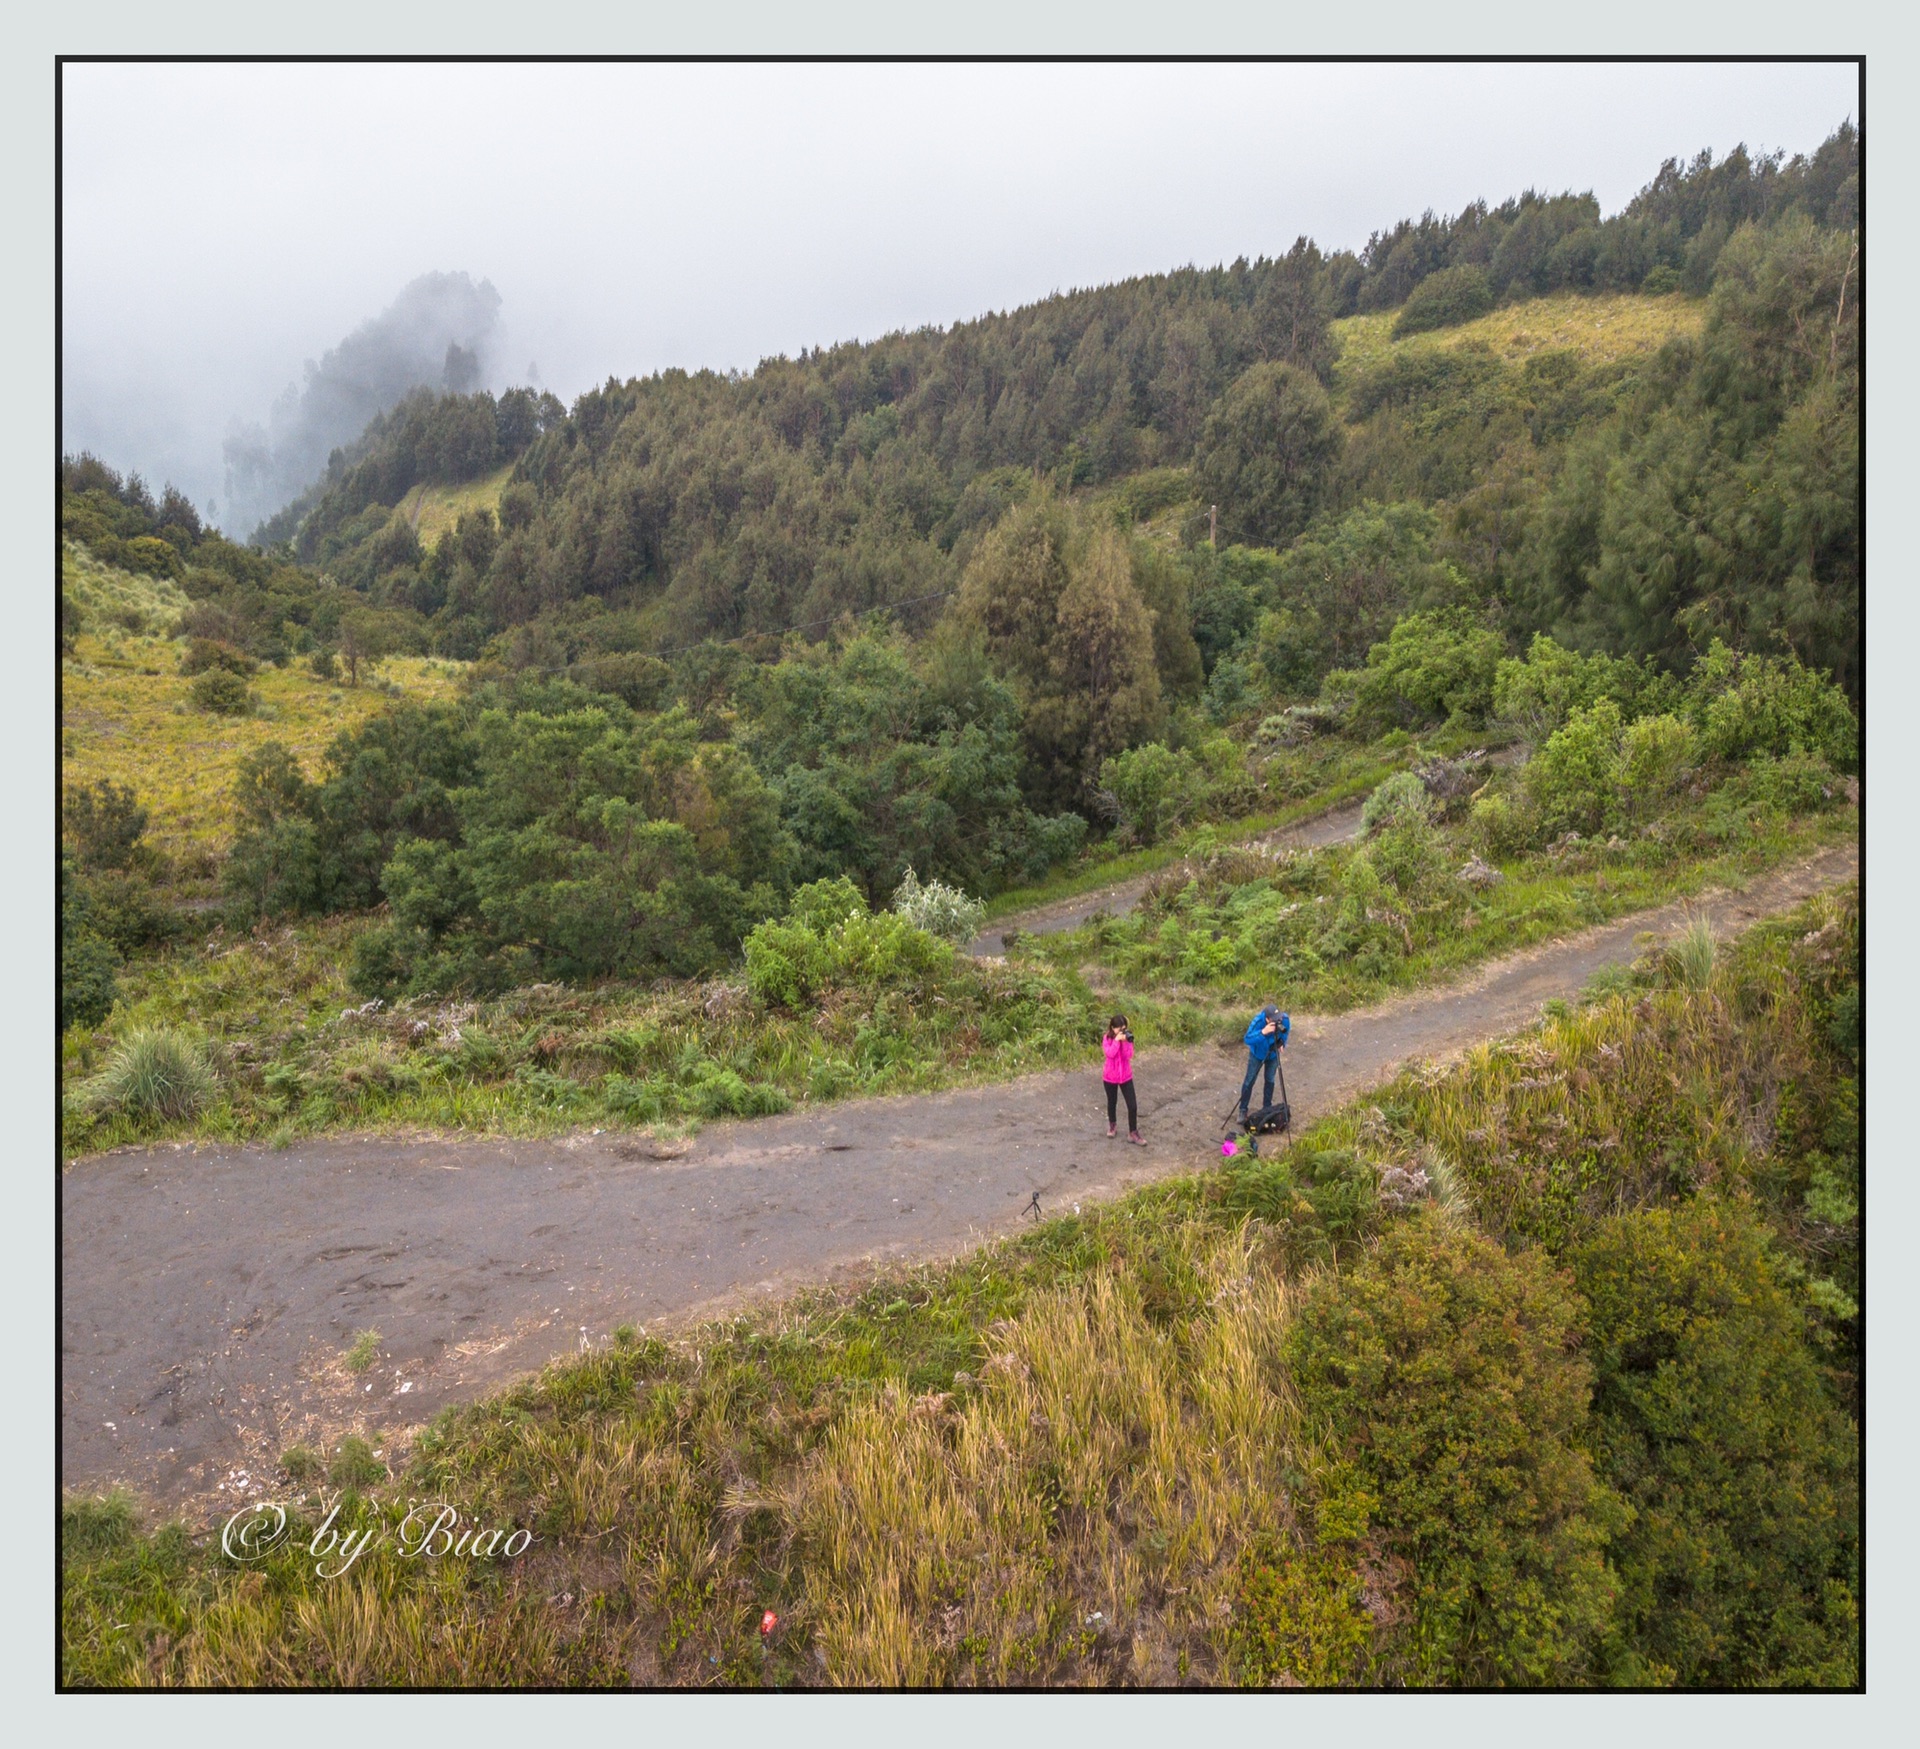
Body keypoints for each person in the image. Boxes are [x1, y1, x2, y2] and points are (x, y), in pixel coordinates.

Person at [1238, 1001, 1289, 1121]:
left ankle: (1267, 1108)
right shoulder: (1257, 1022)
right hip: (1257, 1055)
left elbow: (1285, 1032)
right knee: (1249, 1081)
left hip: (1273, 1055)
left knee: (1270, 1079)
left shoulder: (1284, 1019)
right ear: (1267, 1019)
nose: (1278, 1021)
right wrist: (1263, 1032)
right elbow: (1247, 1039)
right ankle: (1242, 1110)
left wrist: (1282, 1043)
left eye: (1279, 1018)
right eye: (1274, 1019)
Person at [1102, 1014, 1143, 1144]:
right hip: (1110, 1076)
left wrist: (1125, 1042)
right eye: (1119, 1029)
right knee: (1112, 1102)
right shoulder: (1107, 1039)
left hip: (1125, 1076)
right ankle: (1112, 1125)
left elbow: (1129, 1055)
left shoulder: (1127, 1038)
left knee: (1132, 1105)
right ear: (1113, 1028)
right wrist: (1116, 1041)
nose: (1122, 1031)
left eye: (1124, 1029)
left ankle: (1133, 1132)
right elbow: (1110, 1054)